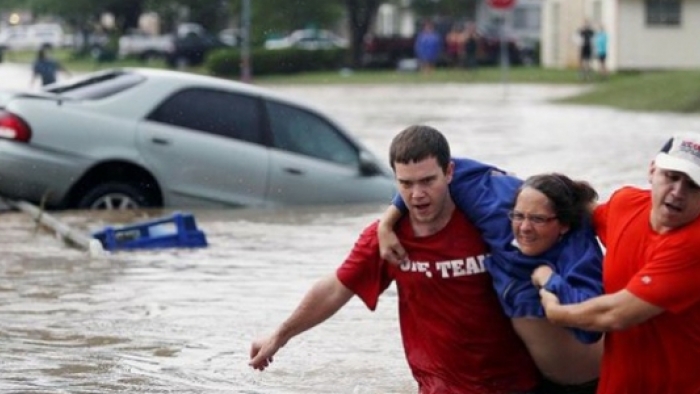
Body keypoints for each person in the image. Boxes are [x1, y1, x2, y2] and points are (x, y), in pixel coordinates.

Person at [249, 125, 541, 394]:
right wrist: (279, 336)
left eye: (428, 181)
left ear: (449, 172)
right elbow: (336, 288)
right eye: (406, 183)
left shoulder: (493, 224)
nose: (417, 195)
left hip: (518, 384)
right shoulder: (387, 237)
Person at [378, 163, 604, 392]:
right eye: (519, 216)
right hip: (536, 379)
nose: (525, 227)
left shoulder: (577, 250)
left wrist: (550, 281)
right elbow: (435, 167)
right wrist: (387, 222)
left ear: (563, 225)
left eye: (538, 219)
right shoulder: (497, 213)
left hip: (592, 382)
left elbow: (590, 328)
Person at [537, 133, 700, 394]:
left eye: (693, 185)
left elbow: (614, 315)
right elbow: (583, 210)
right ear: (652, 171)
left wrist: (556, 310)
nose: (678, 192)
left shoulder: (694, 246)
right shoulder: (625, 204)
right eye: (672, 176)